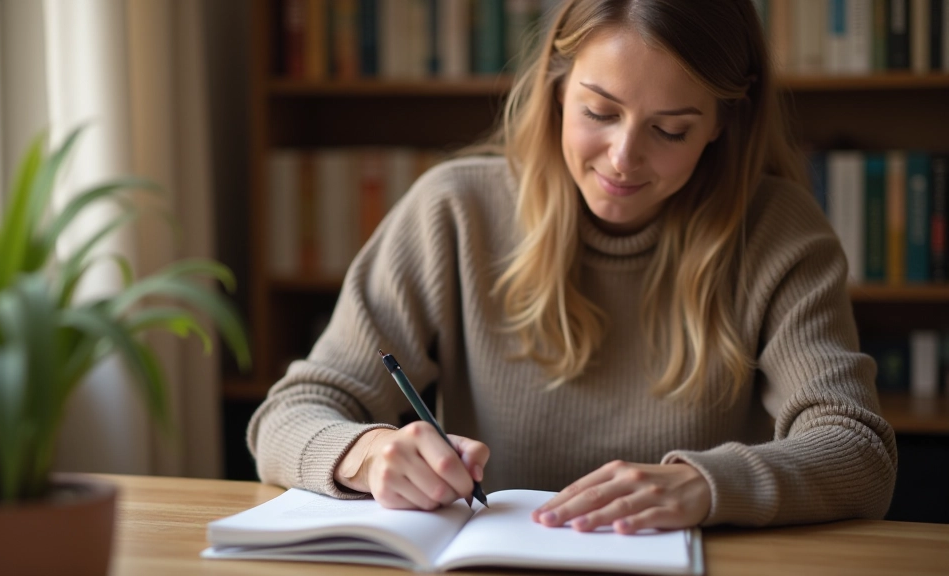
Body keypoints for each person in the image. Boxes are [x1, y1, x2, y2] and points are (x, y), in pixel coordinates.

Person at [247, 0, 896, 534]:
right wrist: (364, 454)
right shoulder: (454, 211)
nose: (623, 159)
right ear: (557, 88)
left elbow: (859, 452)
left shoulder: (778, 231)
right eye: (599, 112)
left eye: (670, 130)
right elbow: (290, 415)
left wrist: (705, 484)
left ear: (724, 122)